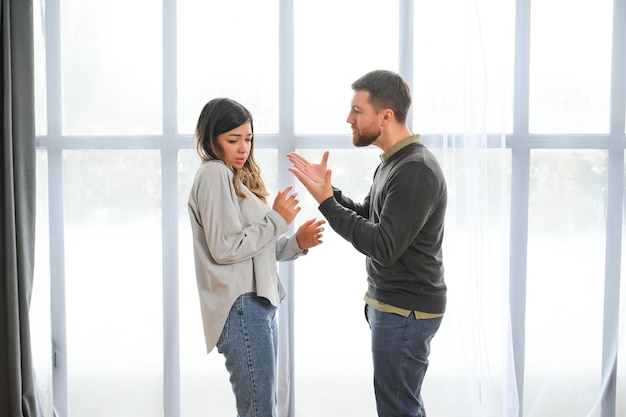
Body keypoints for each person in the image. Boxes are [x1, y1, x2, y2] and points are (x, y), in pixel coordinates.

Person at [287, 70, 447, 417]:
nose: (349, 119)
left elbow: (384, 245)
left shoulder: (415, 169)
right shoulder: (394, 163)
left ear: (385, 116)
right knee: (399, 406)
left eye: (357, 111)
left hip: (406, 310)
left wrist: (327, 203)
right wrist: (330, 194)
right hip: (395, 307)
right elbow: (373, 217)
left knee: (398, 410)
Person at [188, 97, 325, 417]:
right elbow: (225, 249)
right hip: (241, 307)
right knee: (260, 411)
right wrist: (276, 219)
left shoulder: (236, 179)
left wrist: (296, 243)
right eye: (232, 140)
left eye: (248, 139)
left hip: (258, 305)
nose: (243, 148)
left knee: (263, 409)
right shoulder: (212, 175)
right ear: (211, 139)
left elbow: (255, 249)